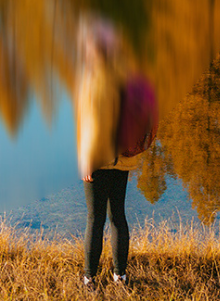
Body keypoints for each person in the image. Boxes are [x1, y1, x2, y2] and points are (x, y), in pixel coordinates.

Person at [75, 17, 138, 291]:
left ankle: (89, 277)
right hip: (123, 158)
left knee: (95, 218)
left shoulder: (92, 79)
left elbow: (93, 123)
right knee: (118, 217)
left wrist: (86, 158)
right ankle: (119, 276)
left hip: (99, 159)